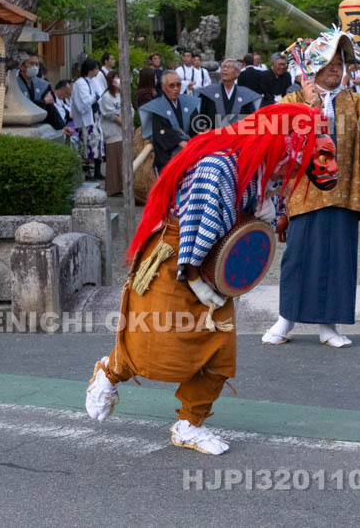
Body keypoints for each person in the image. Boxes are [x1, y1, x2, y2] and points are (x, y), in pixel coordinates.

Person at [84, 104, 338, 455]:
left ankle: (190, 423)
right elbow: (195, 227)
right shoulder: (217, 167)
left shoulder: (262, 165)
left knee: (218, 352)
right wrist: (196, 280)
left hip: (213, 262)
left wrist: (268, 217)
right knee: (156, 344)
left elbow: (256, 215)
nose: (290, 170)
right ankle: (109, 372)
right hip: (178, 256)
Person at [263, 27, 360, 347]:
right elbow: (279, 140)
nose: (337, 66)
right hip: (303, 192)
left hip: (344, 191)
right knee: (298, 257)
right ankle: (286, 318)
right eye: (330, 61)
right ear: (315, 66)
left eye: (341, 62)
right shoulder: (292, 99)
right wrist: (308, 108)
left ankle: (329, 325)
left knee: (339, 258)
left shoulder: (356, 100)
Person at [139, 71, 200, 171]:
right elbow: (161, 131)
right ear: (163, 88)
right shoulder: (157, 107)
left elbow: (196, 125)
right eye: (171, 86)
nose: (176, 89)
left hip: (188, 153)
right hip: (168, 156)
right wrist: (180, 142)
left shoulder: (188, 103)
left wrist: (198, 136)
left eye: (178, 85)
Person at [194, 59, 261, 130]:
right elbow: (201, 116)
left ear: (237, 73)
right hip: (213, 136)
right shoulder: (209, 92)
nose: (225, 69)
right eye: (223, 67)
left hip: (236, 137)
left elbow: (250, 120)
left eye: (229, 67)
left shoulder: (245, 95)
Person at [72, 58, 105, 180]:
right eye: (96, 68)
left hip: (95, 117)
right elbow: (86, 101)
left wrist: (95, 98)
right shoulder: (80, 83)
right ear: (90, 70)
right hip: (86, 120)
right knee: (87, 146)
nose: (98, 70)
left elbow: (99, 96)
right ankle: (87, 173)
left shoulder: (92, 81)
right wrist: (95, 98)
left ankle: (97, 171)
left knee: (98, 145)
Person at [17, 51, 66, 130]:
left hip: (39, 123)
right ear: (22, 66)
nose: (35, 67)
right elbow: (22, 107)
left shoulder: (42, 84)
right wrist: (43, 101)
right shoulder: (14, 84)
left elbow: (50, 106)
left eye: (37, 64)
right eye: (31, 63)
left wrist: (62, 126)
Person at [99, 71, 126, 196]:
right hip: (113, 132)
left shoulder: (122, 95)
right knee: (114, 160)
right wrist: (123, 123)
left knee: (122, 160)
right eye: (115, 78)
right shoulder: (106, 97)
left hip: (123, 132)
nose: (117, 80)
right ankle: (113, 188)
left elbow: (129, 108)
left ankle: (121, 186)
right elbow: (109, 114)